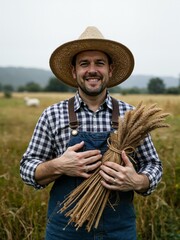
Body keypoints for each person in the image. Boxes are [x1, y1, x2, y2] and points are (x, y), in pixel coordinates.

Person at [20, 26, 162, 240]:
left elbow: (154, 165)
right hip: (65, 231)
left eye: (100, 63)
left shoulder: (132, 116)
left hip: (118, 232)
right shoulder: (52, 115)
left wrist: (138, 181)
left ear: (110, 70)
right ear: (73, 71)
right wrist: (58, 165)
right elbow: (26, 168)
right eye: (84, 63)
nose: (92, 70)